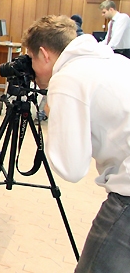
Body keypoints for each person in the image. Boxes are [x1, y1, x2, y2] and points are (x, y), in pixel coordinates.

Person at [21, 15, 130, 273]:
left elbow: (71, 168)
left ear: (45, 54)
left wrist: (53, 111)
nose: (32, 69)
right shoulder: (116, 60)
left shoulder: (68, 78)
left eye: (32, 59)